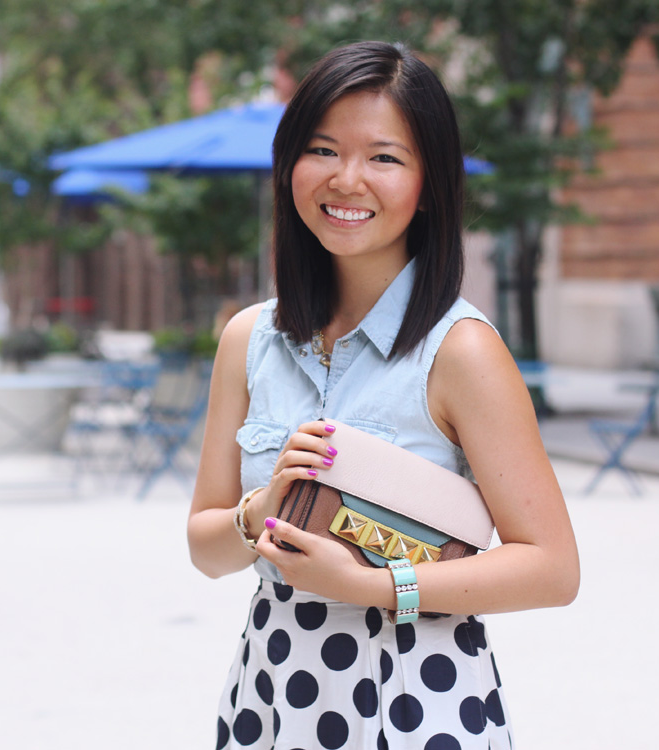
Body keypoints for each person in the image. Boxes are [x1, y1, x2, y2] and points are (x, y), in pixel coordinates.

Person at [188, 41, 579, 750]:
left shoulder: (459, 351)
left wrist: (371, 585)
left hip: (414, 697)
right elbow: (207, 550)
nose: (346, 180)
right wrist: (263, 505)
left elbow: (553, 569)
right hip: (274, 690)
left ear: (428, 184)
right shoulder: (249, 339)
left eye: (384, 158)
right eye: (323, 149)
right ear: (289, 167)